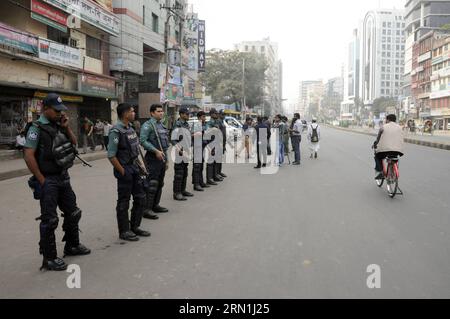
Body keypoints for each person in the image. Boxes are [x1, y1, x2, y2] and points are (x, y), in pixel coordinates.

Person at [23, 93, 90, 271]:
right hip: (48, 179)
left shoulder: (59, 125)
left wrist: (66, 128)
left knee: (73, 212)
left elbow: (74, 144)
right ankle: (49, 258)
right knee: (50, 219)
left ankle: (72, 245)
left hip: (63, 176)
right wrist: (41, 180)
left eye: (61, 110)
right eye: (56, 110)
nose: (60, 113)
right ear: (45, 108)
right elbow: (28, 156)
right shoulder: (35, 128)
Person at [108, 103, 150, 241]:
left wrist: (140, 166)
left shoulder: (130, 129)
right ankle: (124, 230)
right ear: (125, 113)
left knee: (140, 197)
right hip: (125, 169)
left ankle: (135, 226)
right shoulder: (116, 131)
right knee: (124, 201)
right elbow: (111, 155)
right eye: (132, 111)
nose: (134, 113)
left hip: (135, 168)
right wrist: (122, 171)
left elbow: (135, 151)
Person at [140, 104, 170, 218]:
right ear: (152, 113)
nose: (161, 113)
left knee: (160, 183)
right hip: (152, 158)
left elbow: (164, 146)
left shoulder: (161, 126)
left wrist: (166, 160)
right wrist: (155, 151)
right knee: (151, 184)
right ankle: (146, 209)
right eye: (158, 111)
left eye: (162, 111)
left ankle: (155, 205)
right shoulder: (148, 125)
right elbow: (143, 141)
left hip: (161, 158)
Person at [171, 107, 194, 201]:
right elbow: (173, 139)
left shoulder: (186, 124)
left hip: (186, 151)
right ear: (181, 114)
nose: (188, 115)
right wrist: (180, 150)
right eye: (187, 114)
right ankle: (177, 193)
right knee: (179, 173)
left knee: (184, 172)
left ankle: (182, 190)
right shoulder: (178, 124)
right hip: (179, 152)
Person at [373, 114, 405, 180]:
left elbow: (378, 139)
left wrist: (375, 144)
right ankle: (393, 169)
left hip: (385, 151)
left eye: (386, 119)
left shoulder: (383, 127)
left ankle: (381, 172)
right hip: (398, 151)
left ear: (388, 120)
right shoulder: (400, 127)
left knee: (377, 156)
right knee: (394, 157)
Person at [191, 111, 210, 191]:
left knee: (201, 165)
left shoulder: (204, 125)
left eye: (205, 117)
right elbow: (191, 135)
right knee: (197, 166)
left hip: (203, 146)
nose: (204, 118)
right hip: (197, 147)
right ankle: (196, 184)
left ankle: (201, 182)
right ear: (199, 117)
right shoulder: (196, 125)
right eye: (203, 117)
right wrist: (196, 134)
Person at [205, 108, 223, 185]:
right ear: (211, 114)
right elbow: (206, 131)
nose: (217, 115)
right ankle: (209, 178)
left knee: (215, 161)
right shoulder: (209, 123)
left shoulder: (217, 121)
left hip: (217, 143)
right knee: (210, 161)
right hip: (211, 144)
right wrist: (213, 129)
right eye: (215, 113)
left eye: (217, 113)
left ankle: (215, 175)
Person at [217, 110, 228, 178]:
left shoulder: (222, 121)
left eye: (224, 114)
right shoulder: (218, 121)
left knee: (220, 158)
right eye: (222, 114)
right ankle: (217, 173)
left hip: (223, 143)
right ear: (219, 114)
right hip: (219, 143)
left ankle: (219, 172)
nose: (224, 116)